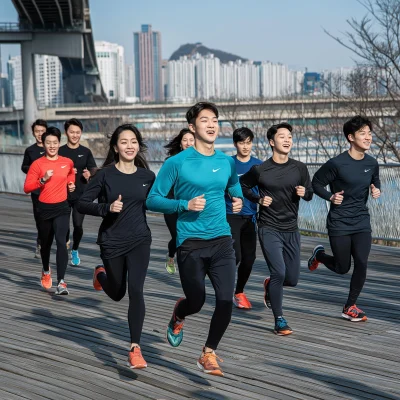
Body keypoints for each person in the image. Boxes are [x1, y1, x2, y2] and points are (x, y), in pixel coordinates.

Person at [146, 102, 243, 377]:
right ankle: (179, 313)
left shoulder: (226, 161)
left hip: (222, 239)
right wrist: (184, 204)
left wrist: (237, 199)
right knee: (197, 301)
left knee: (225, 300)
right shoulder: (177, 163)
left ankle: (208, 352)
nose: (211, 125)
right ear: (192, 127)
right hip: (190, 242)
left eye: (214, 120)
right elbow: (153, 199)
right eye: (204, 120)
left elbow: (234, 187)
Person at [77, 124, 155, 369]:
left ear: (138, 145)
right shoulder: (105, 175)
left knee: (136, 291)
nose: (129, 146)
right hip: (112, 241)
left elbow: (160, 201)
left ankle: (135, 348)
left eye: (133, 141)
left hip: (140, 239)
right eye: (124, 142)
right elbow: (81, 203)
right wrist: (106, 208)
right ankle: (100, 273)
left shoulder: (147, 176)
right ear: (115, 147)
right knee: (118, 292)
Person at [240, 122, 313, 335]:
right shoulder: (261, 170)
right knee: (279, 272)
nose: (287, 140)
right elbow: (243, 185)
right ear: (272, 142)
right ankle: (279, 319)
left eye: (289, 136)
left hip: (291, 228)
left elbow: (309, 193)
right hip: (268, 226)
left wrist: (304, 193)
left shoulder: (299, 168)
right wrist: (258, 199)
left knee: (291, 278)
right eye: (282, 136)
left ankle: (269, 285)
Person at [308, 115, 381, 322]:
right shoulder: (336, 164)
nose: (367, 137)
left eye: (369, 133)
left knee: (361, 262)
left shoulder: (372, 163)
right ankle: (319, 255)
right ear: (350, 137)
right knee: (342, 267)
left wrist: (377, 190)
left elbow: (375, 181)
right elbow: (317, 183)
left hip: (361, 221)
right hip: (339, 222)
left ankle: (350, 306)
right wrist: (330, 196)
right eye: (362, 133)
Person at [24, 127, 76, 295]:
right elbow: (27, 187)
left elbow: (70, 174)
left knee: (61, 242)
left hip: (62, 207)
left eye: (55, 142)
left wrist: (71, 184)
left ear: (59, 143)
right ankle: (46, 270)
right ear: (43, 144)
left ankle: (61, 282)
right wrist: (42, 179)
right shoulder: (37, 164)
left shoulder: (67, 161)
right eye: (48, 143)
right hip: (44, 209)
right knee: (45, 244)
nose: (52, 146)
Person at [225, 127, 262, 309]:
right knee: (236, 255)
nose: (245, 146)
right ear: (235, 144)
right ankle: (227, 290)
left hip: (250, 216)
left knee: (250, 258)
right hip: (230, 215)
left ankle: (239, 291)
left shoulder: (258, 165)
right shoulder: (228, 163)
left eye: (248, 142)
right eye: (241, 142)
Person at [59, 118, 97, 266]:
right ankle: (67, 239)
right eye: (72, 132)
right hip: (62, 193)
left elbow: (93, 168)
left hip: (81, 194)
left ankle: (75, 249)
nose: (75, 135)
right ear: (66, 133)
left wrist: (89, 175)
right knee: (64, 227)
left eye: (78, 132)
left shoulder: (85, 151)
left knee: (78, 225)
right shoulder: (60, 151)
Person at [163, 128, 195, 274]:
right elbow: (163, 187)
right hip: (172, 205)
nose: (188, 143)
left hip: (191, 206)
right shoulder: (171, 162)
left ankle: (190, 267)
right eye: (185, 140)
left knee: (190, 237)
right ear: (180, 144)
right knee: (177, 236)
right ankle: (171, 256)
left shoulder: (200, 162)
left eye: (191, 140)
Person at [21, 119, 48, 258]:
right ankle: (41, 241)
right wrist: (33, 170)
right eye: (37, 131)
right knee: (39, 218)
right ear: (33, 133)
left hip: (51, 189)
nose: (39, 134)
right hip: (36, 190)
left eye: (42, 131)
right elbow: (24, 167)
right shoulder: (30, 150)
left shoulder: (52, 148)